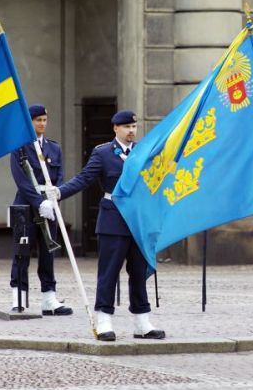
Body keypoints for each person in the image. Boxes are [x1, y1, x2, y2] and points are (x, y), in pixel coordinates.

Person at [59, 110, 165, 341]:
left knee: (138, 271)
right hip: (113, 219)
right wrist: (58, 193)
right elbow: (84, 178)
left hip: (138, 221)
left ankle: (142, 321)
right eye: (126, 127)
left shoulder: (143, 151)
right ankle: (104, 318)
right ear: (115, 128)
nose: (131, 131)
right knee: (109, 272)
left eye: (134, 126)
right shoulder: (103, 153)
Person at [9, 104, 72, 316]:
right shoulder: (20, 147)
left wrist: (54, 198)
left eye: (44, 120)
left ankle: (49, 298)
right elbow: (22, 181)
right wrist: (39, 202)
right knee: (22, 252)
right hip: (26, 206)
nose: (42, 124)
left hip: (49, 206)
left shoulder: (54, 148)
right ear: (29, 122)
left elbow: (60, 176)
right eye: (38, 120)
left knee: (48, 252)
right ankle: (19, 295)